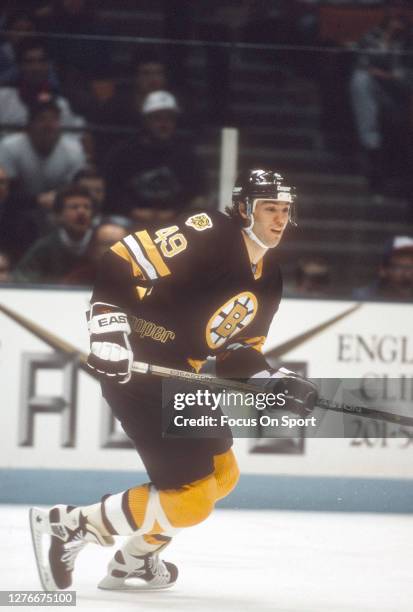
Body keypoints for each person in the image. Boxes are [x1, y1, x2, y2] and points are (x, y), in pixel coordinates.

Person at [29, 169, 317, 592]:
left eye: (284, 210)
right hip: (140, 372)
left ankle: (136, 560)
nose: (278, 219)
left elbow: (235, 352)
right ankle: (69, 525)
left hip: (183, 378)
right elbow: (122, 257)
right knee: (191, 500)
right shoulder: (210, 233)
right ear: (243, 210)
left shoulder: (270, 277)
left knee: (223, 476)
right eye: (268, 208)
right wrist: (108, 328)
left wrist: (269, 378)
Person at [105, 90, 208, 218]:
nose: (164, 124)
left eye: (169, 119)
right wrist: (133, 212)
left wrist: (175, 213)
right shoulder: (123, 153)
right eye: (158, 118)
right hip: (130, 219)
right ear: (146, 120)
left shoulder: (188, 156)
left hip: (176, 221)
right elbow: (112, 193)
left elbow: (198, 194)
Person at [0, 99, 86, 243]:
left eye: (54, 120)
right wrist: (37, 200)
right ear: (29, 125)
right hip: (19, 209)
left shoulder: (73, 150)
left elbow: (76, 189)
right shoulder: (11, 146)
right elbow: (6, 193)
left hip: (58, 207)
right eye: (42, 119)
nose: (49, 126)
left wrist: (58, 201)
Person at [349, 11, 413, 194]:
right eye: (394, 19)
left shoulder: (408, 41)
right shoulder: (373, 35)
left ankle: (373, 146)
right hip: (372, 90)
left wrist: (385, 75)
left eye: (400, 20)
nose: (396, 24)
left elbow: (406, 78)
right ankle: (371, 144)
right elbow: (362, 63)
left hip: (397, 95)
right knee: (360, 81)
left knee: (365, 83)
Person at [0, 37, 84, 133]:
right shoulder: (2, 98)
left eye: (42, 61)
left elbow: (72, 140)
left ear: (49, 65)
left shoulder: (61, 105)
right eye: (29, 61)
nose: (36, 67)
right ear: (20, 66)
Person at [13, 184, 94, 284]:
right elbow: (21, 278)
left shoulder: (102, 244)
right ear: (58, 215)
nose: (81, 212)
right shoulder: (45, 247)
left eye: (87, 207)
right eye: (74, 207)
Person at [353, 235, 413, 301]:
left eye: (410, 267)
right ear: (383, 270)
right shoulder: (362, 299)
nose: (407, 274)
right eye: (399, 267)